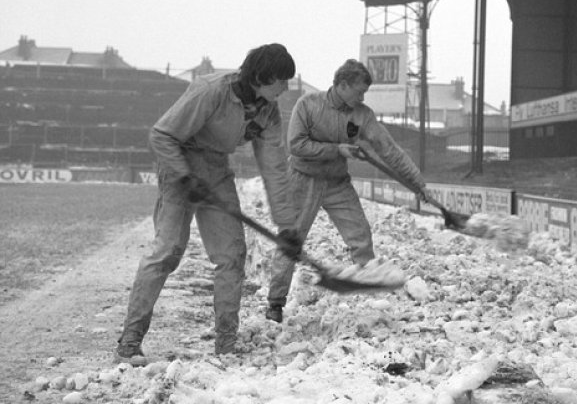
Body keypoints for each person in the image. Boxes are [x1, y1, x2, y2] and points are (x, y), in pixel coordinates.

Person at [114, 43, 301, 363]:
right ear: (263, 76)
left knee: (232, 254)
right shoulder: (210, 90)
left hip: (215, 168)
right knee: (168, 249)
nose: (285, 88)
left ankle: (226, 346)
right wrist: (185, 177)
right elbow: (161, 135)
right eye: (281, 81)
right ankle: (129, 342)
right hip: (179, 162)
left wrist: (287, 226)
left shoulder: (269, 112)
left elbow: (275, 170)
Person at [265, 59, 426, 323]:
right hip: (302, 180)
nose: (362, 97)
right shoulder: (308, 104)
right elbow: (296, 145)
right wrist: (337, 149)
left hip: (337, 182)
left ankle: (371, 293)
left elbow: (389, 149)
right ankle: (275, 303)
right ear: (342, 85)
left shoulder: (362, 115)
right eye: (359, 91)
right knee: (290, 241)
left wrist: (417, 182)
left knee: (361, 235)